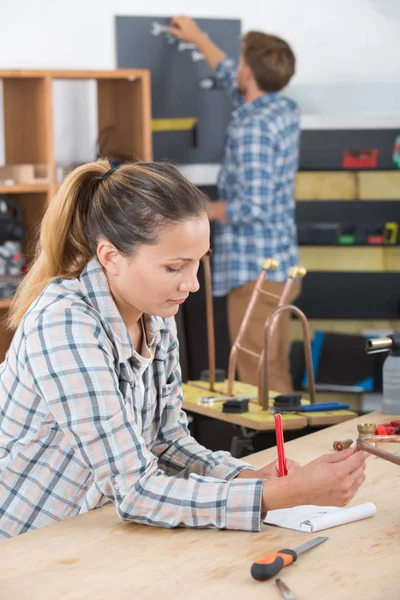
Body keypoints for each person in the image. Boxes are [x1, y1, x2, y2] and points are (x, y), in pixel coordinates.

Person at [0, 160, 366, 538]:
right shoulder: (64, 324)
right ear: (111, 257)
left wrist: (248, 477)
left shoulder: (154, 315)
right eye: (175, 267)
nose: (191, 285)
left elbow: (166, 443)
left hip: (87, 530)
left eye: (197, 264)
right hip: (24, 542)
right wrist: (282, 493)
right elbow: (136, 490)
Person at [169, 17, 301, 393]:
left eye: (242, 62)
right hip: (278, 266)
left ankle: (276, 449)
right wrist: (198, 39)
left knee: (258, 373)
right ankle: (286, 445)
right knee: (270, 366)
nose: (236, 68)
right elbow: (232, 75)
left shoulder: (252, 128)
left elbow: (253, 207)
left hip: (253, 274)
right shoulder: (282, 109)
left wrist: (199, 208)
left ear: (249, 71)